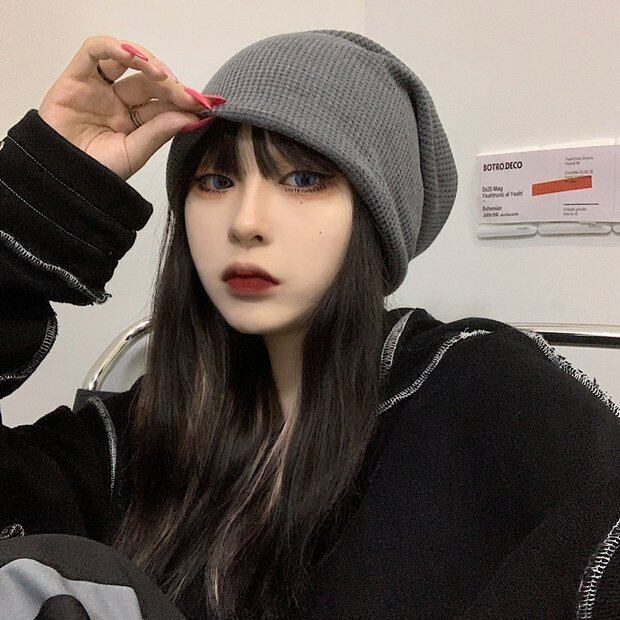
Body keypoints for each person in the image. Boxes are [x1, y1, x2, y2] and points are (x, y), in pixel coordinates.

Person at [0, 31, 618, 620]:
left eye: (303, 179)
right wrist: (36, 195)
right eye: (216, 180)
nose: (245, 222)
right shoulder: (140, 438)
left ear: (374, 216)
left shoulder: (477, 391)